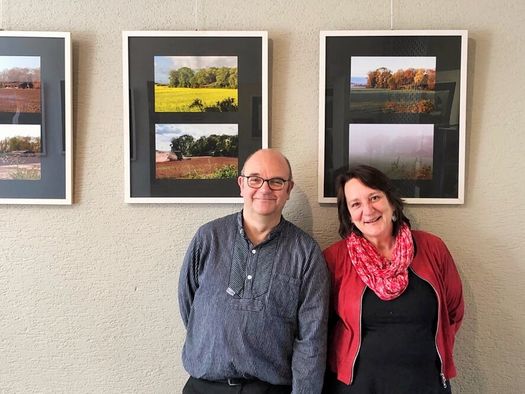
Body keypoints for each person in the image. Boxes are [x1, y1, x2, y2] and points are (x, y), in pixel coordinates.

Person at [179, 148, 330, 394]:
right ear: (241, 184)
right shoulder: (208, 238)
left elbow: (311, 339)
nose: (265, 189)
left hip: (269, 389)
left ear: (288, 189)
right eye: (255, 179)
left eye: (276, 181)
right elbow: (190, 308)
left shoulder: (306, 253)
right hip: (202, 386)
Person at [323, 165, 464, 394]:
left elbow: (454, 311)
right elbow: (321, 325)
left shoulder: (432, 248)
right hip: (356, 387)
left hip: (426, 383)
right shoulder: (334, 259)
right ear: (348, 214)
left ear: (391, 201)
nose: (368, 210)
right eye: (356, 204)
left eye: (374, 197)